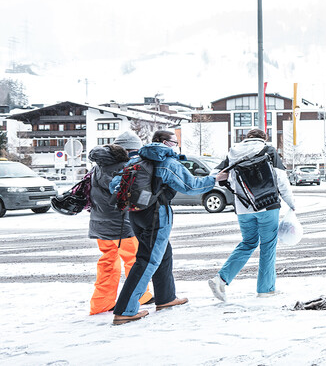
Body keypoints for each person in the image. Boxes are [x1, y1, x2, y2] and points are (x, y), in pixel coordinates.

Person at [109, 130, 224, 325]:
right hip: (157, 215)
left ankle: (166, 298)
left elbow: (114, 186)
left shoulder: (135, 160)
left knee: (163, 253)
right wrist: (215, 179)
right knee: (147, 260)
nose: (176, 145)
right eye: (174, 141)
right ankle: (125, 310)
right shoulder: (167, 162)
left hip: (135, 213)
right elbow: (191, 186)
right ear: (164, 142)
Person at [207, 129, 296, 301]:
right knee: (268, 246)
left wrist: (230, 180)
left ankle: (221, 279)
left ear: (246, 138)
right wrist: (291, 203)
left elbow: (214, 175)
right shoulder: (269, 151)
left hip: (243, 208)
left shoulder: (233, 153)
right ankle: (265, 289)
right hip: (268, 205)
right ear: (264, 138)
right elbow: (281, 180)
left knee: (248, 243)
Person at [86, 139, 153, 315]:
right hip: (121, 225)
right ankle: (139, 297)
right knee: (134, 261)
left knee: (107, 262)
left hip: (99, 224)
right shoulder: (124, 168)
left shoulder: (96, 168)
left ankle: (101, 303)